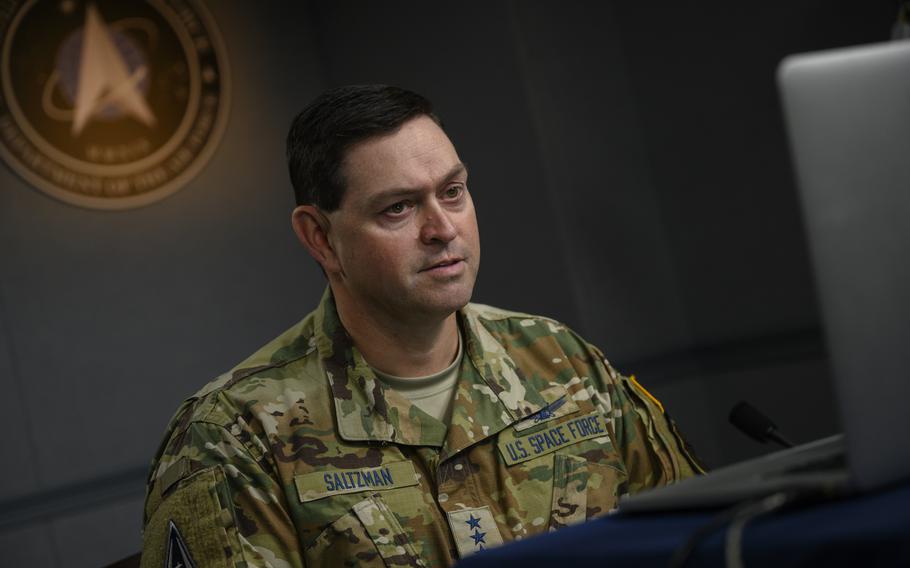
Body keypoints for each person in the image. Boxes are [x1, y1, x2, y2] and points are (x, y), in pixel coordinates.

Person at [140, 84, 703, 568]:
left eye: (452, 192)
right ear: (320, 237)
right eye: (399, 209)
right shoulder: (236, 436)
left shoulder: (561, 359)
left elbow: (701, 539)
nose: (442, 229)